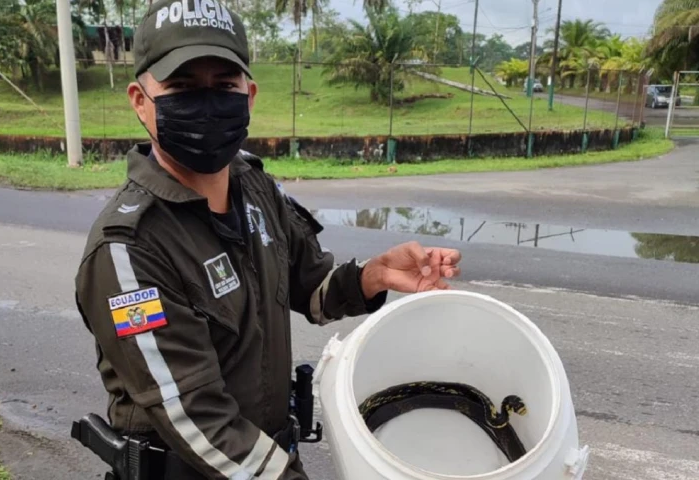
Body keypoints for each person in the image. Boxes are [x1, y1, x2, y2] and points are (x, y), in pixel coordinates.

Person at [73, 0, 462, 478]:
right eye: (182, 87)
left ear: (249, 95)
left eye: (224, 86)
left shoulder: (255, 188)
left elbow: (312, 290)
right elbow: (194, 418)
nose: (208, 103)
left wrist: (373, 276)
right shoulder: (128, 248)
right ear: (139, 99)